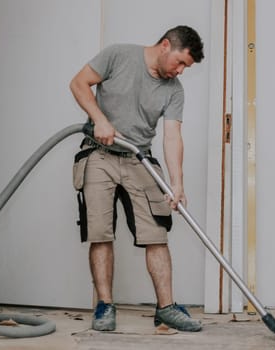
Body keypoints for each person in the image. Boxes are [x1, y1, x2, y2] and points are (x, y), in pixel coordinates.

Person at [69, 25, 204, 332]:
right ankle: (105, 306)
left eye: (187, 67)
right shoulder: (118, 55)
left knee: (156, 234)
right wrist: (100, 120)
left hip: (138, 157)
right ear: (166, 45)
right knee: (101, 232)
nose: (181, 71)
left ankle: (166, 308)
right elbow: (78, 83)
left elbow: (172, 137)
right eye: (181, 62)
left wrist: (177, 183)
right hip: (98, 154)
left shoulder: (173, 90)